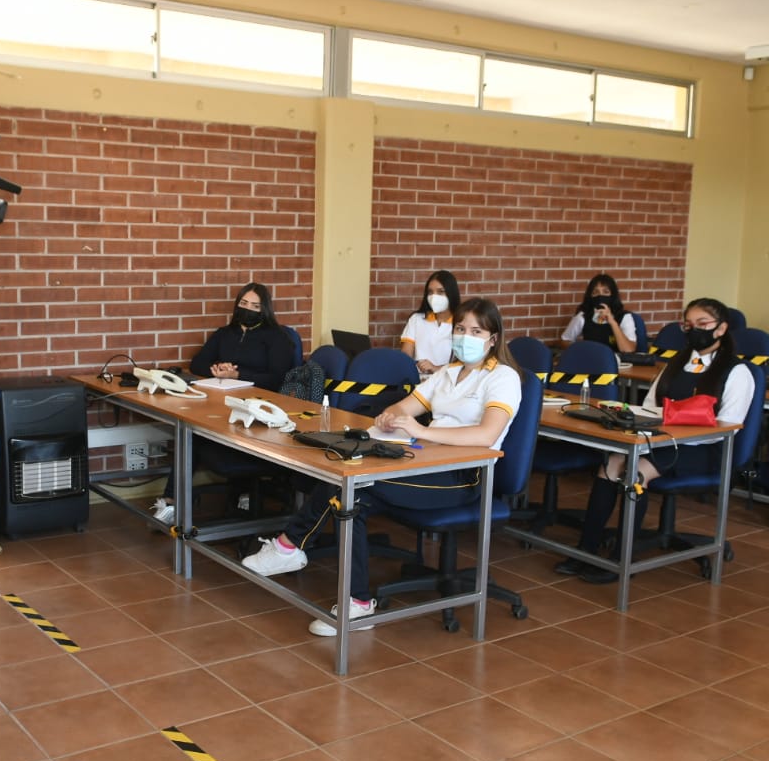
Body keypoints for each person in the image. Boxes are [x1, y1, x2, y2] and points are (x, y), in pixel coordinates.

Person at [241, 297, 523, 635]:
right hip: (426, 461)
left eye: (476, 331)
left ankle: (289, 545)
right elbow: (407, 406)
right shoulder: (448, 373)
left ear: (493, 339)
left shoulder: (503, 377)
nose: (466, 336)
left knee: (354, 485)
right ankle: (356, 602)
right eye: (461, 329)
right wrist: (390, 417)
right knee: (350, 492)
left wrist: (422, 430)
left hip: (464, 475)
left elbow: (487, 433)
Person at [557, 297, 754, 583]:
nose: (693, 330)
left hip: (705, 450)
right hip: (662, 442)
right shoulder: (676, 362)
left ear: (721, 328)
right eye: (688, 325)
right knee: (610, 465)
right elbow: (651, 406)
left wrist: (674, 429)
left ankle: (621, 558)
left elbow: (730, 425)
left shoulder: (737, 372)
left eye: (702, 324)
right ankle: (587, 548)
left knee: (635, 473)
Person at [150, 282, 295, 522]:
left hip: (259, 410)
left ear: (265, 309)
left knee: (200, 436)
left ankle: (239, 492)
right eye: (244, 303)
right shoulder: (225, 333)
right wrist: (215, 369)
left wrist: (238, 375)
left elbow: (278, 377)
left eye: (255, 306)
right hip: (224, 402)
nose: (248, 309)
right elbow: (197, 363)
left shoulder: (277, 337)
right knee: (190, 432)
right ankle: (172, 502)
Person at [399, 270, 460, 375]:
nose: (434, 296)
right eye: (430, 292)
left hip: (448, 380)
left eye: (441, 291)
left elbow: (464, 363)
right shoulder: (416, 319)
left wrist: (436, 368)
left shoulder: (462, 323)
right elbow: (405, 355)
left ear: (451, 293)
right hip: (419, 381)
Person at [560, 273, 638, 353]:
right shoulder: (583, 316)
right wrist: (580, 347)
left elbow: (629, 350)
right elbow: (564, 341)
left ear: (613, 295)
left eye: (606, 292)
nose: (600, 296)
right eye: (596, 292)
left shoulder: (625, 317)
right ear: (591, 296)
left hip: (617, 363)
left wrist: (612, 322)